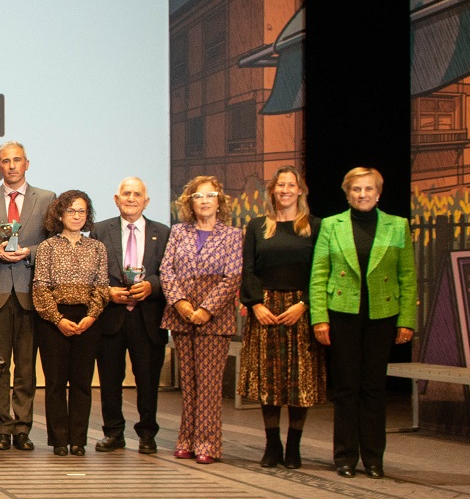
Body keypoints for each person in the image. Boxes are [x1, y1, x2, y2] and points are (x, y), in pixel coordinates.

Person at [310, 167, 416, 480]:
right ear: (347, 193)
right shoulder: (331, 225)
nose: (362, 194)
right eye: (356, 189)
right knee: (346, 388)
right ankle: (344, 457)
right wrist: (319, 318)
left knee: (373, 388)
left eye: (368, 189)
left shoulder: (398, 226)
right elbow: (318, 274)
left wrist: (407, 319)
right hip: (342, 313)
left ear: (378, 193)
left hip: (381, 315)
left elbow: (407, 277)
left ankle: (373, 459)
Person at [0, 140, 55, 451]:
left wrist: (29, 253)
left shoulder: (46, 199)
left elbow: (51, 243)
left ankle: (22, 427)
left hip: (31, 293)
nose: (11, 165)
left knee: (26, 367)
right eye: (5, 161)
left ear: (27, 163)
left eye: (17, 160)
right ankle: (2, 425)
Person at [239, 166, 322, 469]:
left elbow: (319, 272)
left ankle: (294, 447)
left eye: (291, 185)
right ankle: (272, 444)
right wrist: (256, 305)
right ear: (272, 191)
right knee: (269, 380)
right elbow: (248, 269)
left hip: (299, 309)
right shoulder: (258, 226)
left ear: (301, 191)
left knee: (300, 382)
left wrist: (304, 305)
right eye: (280, 185)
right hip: (266, 309)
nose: (286, 190)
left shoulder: (315, 226)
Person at [159, 175, 242, 464]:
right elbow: (166, 270)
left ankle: (207, 443)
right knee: (189, 384)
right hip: (181, 317)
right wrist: (181, 304)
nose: (204, 201)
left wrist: (205, 309)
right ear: (189, 203)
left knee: (209, 385)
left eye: (210, 195)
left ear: (219, 201)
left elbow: (232, 277)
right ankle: (186, 438)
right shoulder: (179, 232)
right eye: (198, 196)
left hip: (214, 320)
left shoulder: (233, 236)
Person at [93, 177, 169, 454]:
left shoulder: (163, 233)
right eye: (126, 193)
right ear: (116, 199)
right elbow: (91, 272)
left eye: (137, 194)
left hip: (148, 317)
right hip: (111, 316)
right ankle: (113, 433)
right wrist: (107, 292)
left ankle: (147, 434)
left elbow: (169, 273)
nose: (131, 198)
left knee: (148, 380)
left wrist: (152, 285)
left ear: (146, 201)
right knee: (110, 380)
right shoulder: (100, 231)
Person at [31, 190, 110, 456]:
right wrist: (57, 318)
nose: (76, 216)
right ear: (60, 214)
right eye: (71, 211)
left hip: (88, 319)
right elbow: (40, 287)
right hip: (54, 321)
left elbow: (102, 286)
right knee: (55, 384)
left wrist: (92, 316)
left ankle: (78, 439)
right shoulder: (47, 248)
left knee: (81, 383)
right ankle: (59, 441)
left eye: (82, 211)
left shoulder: (97, 247)